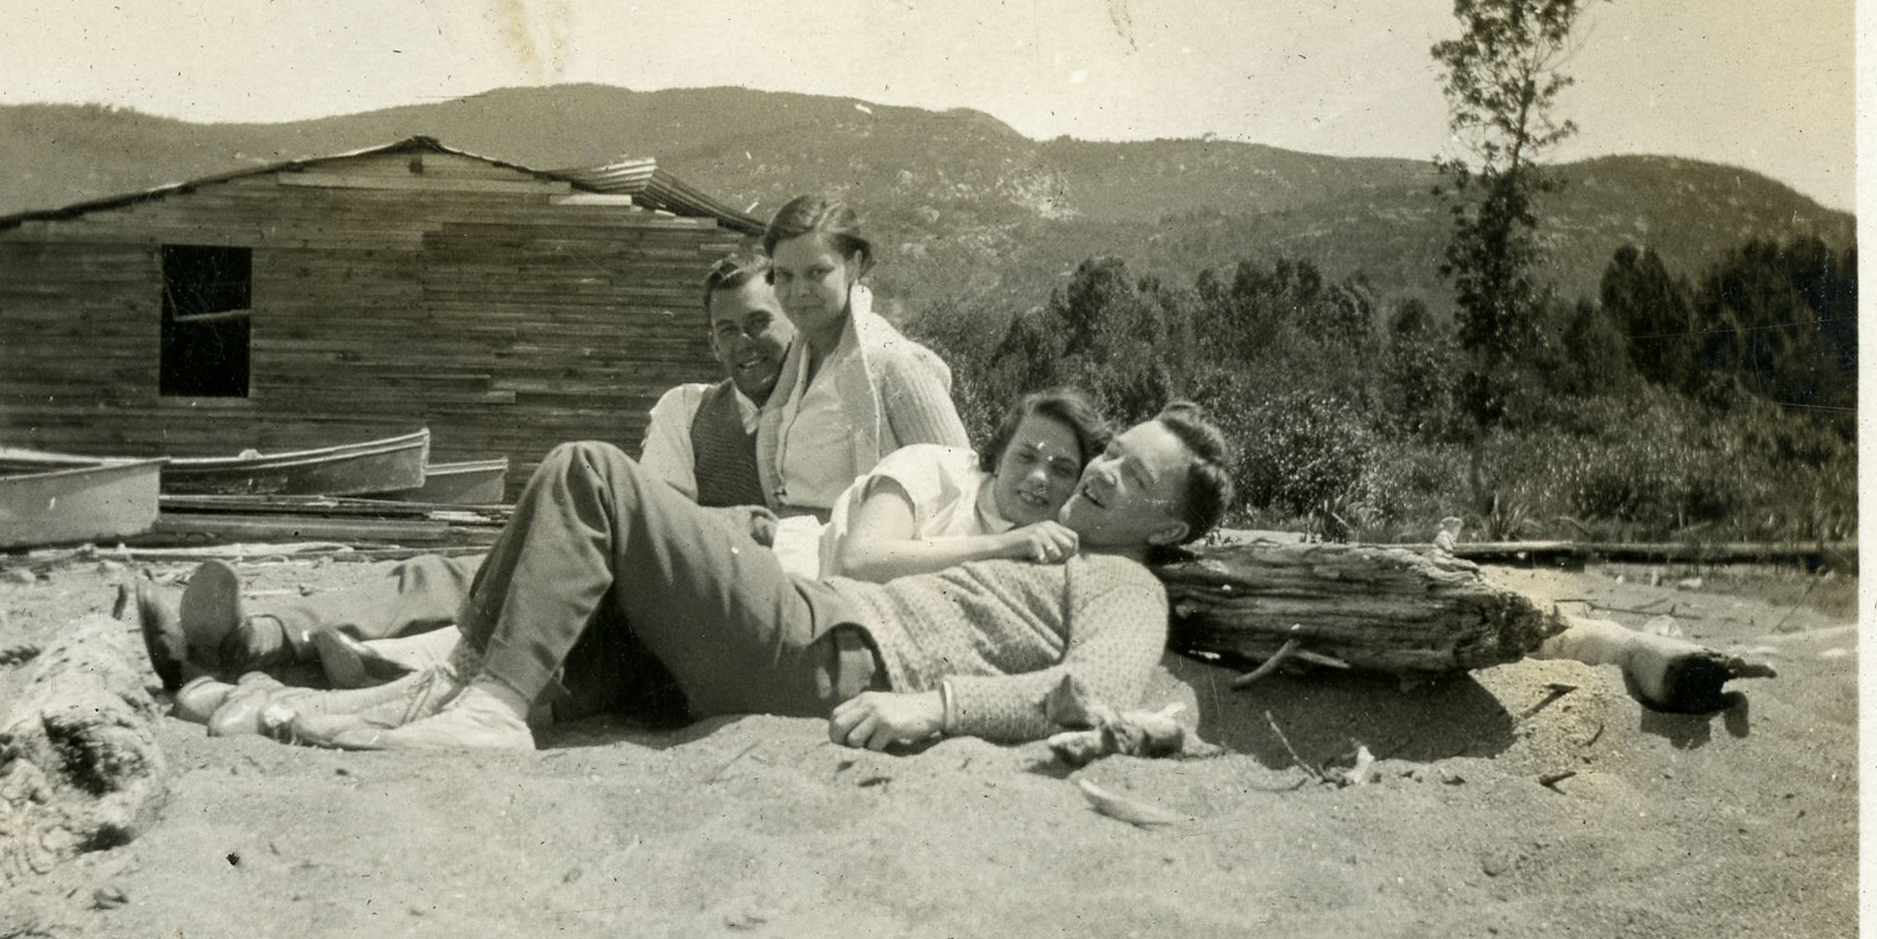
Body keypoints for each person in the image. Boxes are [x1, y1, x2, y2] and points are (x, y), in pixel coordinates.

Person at [259, 402, 1236, 754]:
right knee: (585, 589)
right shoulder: (1048, 548)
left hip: (840, 650)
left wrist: (939, 705)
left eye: (1134, 475)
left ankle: (486, 711)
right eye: (1115, 451)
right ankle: (448, 692)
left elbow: (1103, 690)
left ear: (1169, 522)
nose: (1102, 470)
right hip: (813, 635)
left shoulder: (1124, 585)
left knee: (590, 473)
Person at [136, 251, 796, 689]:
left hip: (739, 618)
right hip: (666, 583)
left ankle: (246, 661)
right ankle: (253, 637)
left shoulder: (827, 406)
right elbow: (658, 522)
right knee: (462, 572)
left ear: (794, 319)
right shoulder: (687, 408)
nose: (743, 344)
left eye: (759, 322)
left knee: (518, 634)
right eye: (725, 330)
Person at [753, 195, 969, 519]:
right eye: (784, 275)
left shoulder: (892, 364)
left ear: (853, 266)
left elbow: (959, 488)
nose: (798, 291)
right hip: (792, 549)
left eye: (816, 273)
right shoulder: (795, 367)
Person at [818, 386, 1111, 581]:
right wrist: (1004, 545)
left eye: (1061, 469)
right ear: (998, 457)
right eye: (1025, 456)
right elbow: (858, 560)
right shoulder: (932, 466)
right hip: (800, 577)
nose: (1038, 477)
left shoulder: (1058, 545)